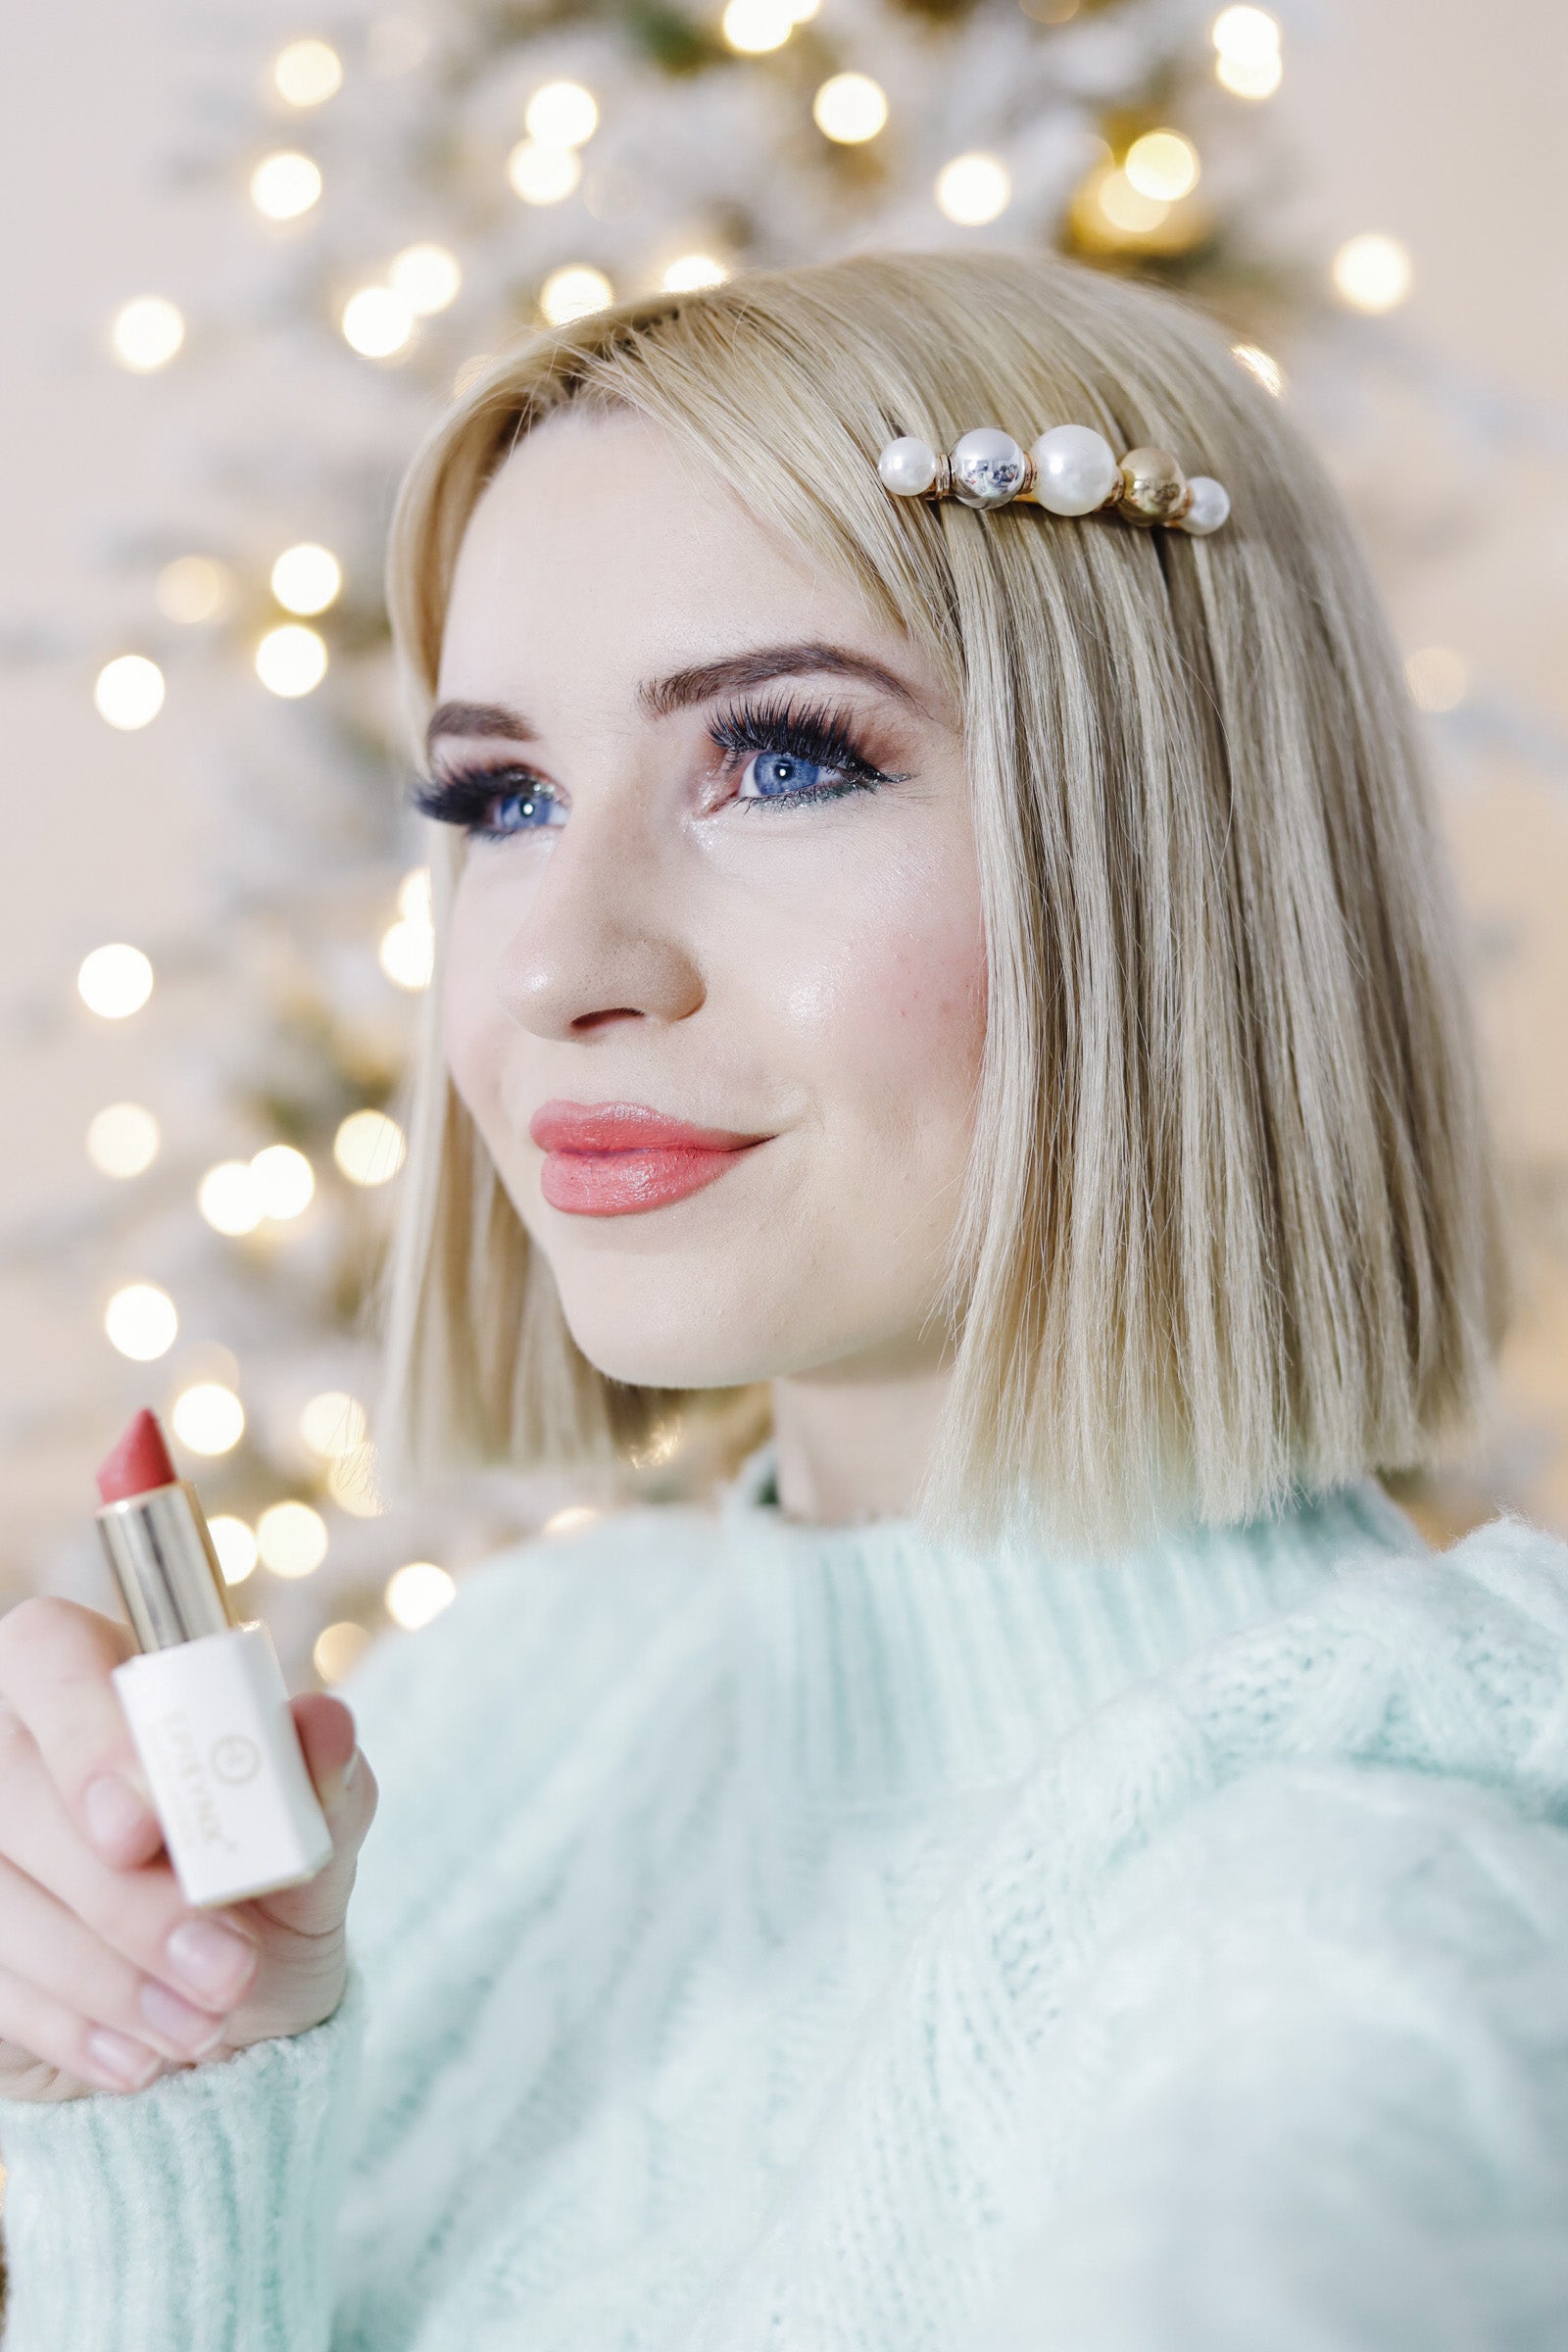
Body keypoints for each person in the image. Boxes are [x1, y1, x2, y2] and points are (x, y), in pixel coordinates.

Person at [1, 248, 1566, 2351]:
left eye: (788, 760)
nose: (560, 961)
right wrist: (167, 2106)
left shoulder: (1367, 1881)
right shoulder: (507, 1698)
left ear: (1159, 842)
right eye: (501, 800)